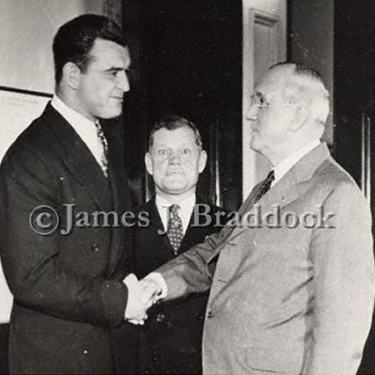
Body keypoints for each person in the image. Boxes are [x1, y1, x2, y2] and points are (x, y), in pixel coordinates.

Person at [138, 63, 375, 375]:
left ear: (297, 115)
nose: (250, 113)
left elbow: (341, 333)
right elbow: (214, 252)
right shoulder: (266, 187)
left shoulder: (336, 193)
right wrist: (154, 284)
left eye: (261, 101)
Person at [0, 14, 149, 375]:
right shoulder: (31, 155)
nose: (126, 85)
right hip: (57, 358)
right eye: (113, 72)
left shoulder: (105, 145)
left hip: (108, 351)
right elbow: (31, 277)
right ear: (71, 75)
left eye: (125, 72)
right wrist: (121, 300)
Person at [132, 116, 228, 374]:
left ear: (202, 161)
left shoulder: (230, 227)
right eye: (163, 152)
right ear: (149, 163)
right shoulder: (121, 226)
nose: (174, 161)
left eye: (185, 151)